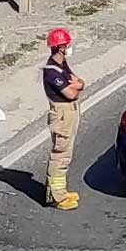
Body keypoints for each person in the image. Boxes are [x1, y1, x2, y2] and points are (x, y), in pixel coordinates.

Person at [42, 28, 84, 211]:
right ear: (60, 47)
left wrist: (79, 84)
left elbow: (79, 82)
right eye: (66, 45)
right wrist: (77, 86)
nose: (69, 47)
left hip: (69, 113)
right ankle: (56, 197)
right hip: (62, 115)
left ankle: (59, 190)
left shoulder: (62, 64)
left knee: (66, 154)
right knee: (61, 155)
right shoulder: (52, 72)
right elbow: (71, 93)